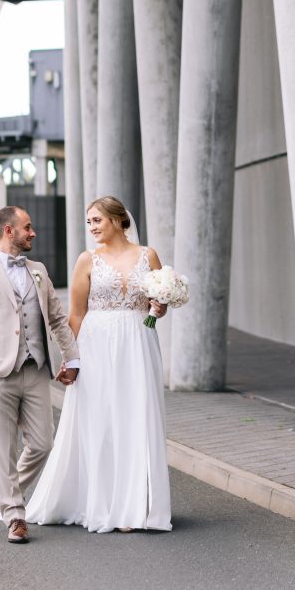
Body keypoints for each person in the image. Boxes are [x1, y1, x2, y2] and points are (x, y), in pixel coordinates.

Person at [25, 195, 172, 533]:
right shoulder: (86, 260)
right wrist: (70, 358)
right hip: (97, 343)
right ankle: (105, 504)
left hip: (138, 340)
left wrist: (160, 309)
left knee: (136, 416)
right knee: (101, 420)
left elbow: (157, 304)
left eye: (97, 220)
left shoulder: (147, 255)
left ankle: (134, 507)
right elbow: (76, 314)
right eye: (88, 222)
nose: (91, 227)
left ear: (119, 220)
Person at [0, 205, 80, 544]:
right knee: (4, 447)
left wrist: (72, 358)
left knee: (43, 443)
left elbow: (56, 320)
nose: (33, 232)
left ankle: (10, 493)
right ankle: (14, 515)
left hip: (36, 369)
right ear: (9, 231)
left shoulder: (38, 270)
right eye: (28, 227)